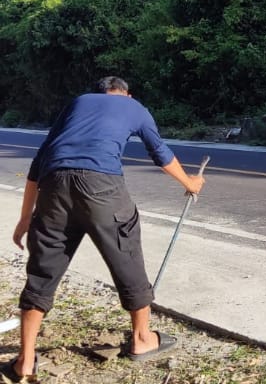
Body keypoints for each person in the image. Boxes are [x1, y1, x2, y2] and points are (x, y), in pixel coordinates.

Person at [1, 76, 205, 382]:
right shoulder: (133, 107)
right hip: (101, 186)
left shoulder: (78, 103)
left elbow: (38, 161)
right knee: (127, 254)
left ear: (97, 94)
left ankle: (25, 361)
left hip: (53, 186)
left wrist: (25, 217)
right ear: (126, 94)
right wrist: (191, 183)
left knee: (42, 271)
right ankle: (141, 339)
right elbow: (159, 151)